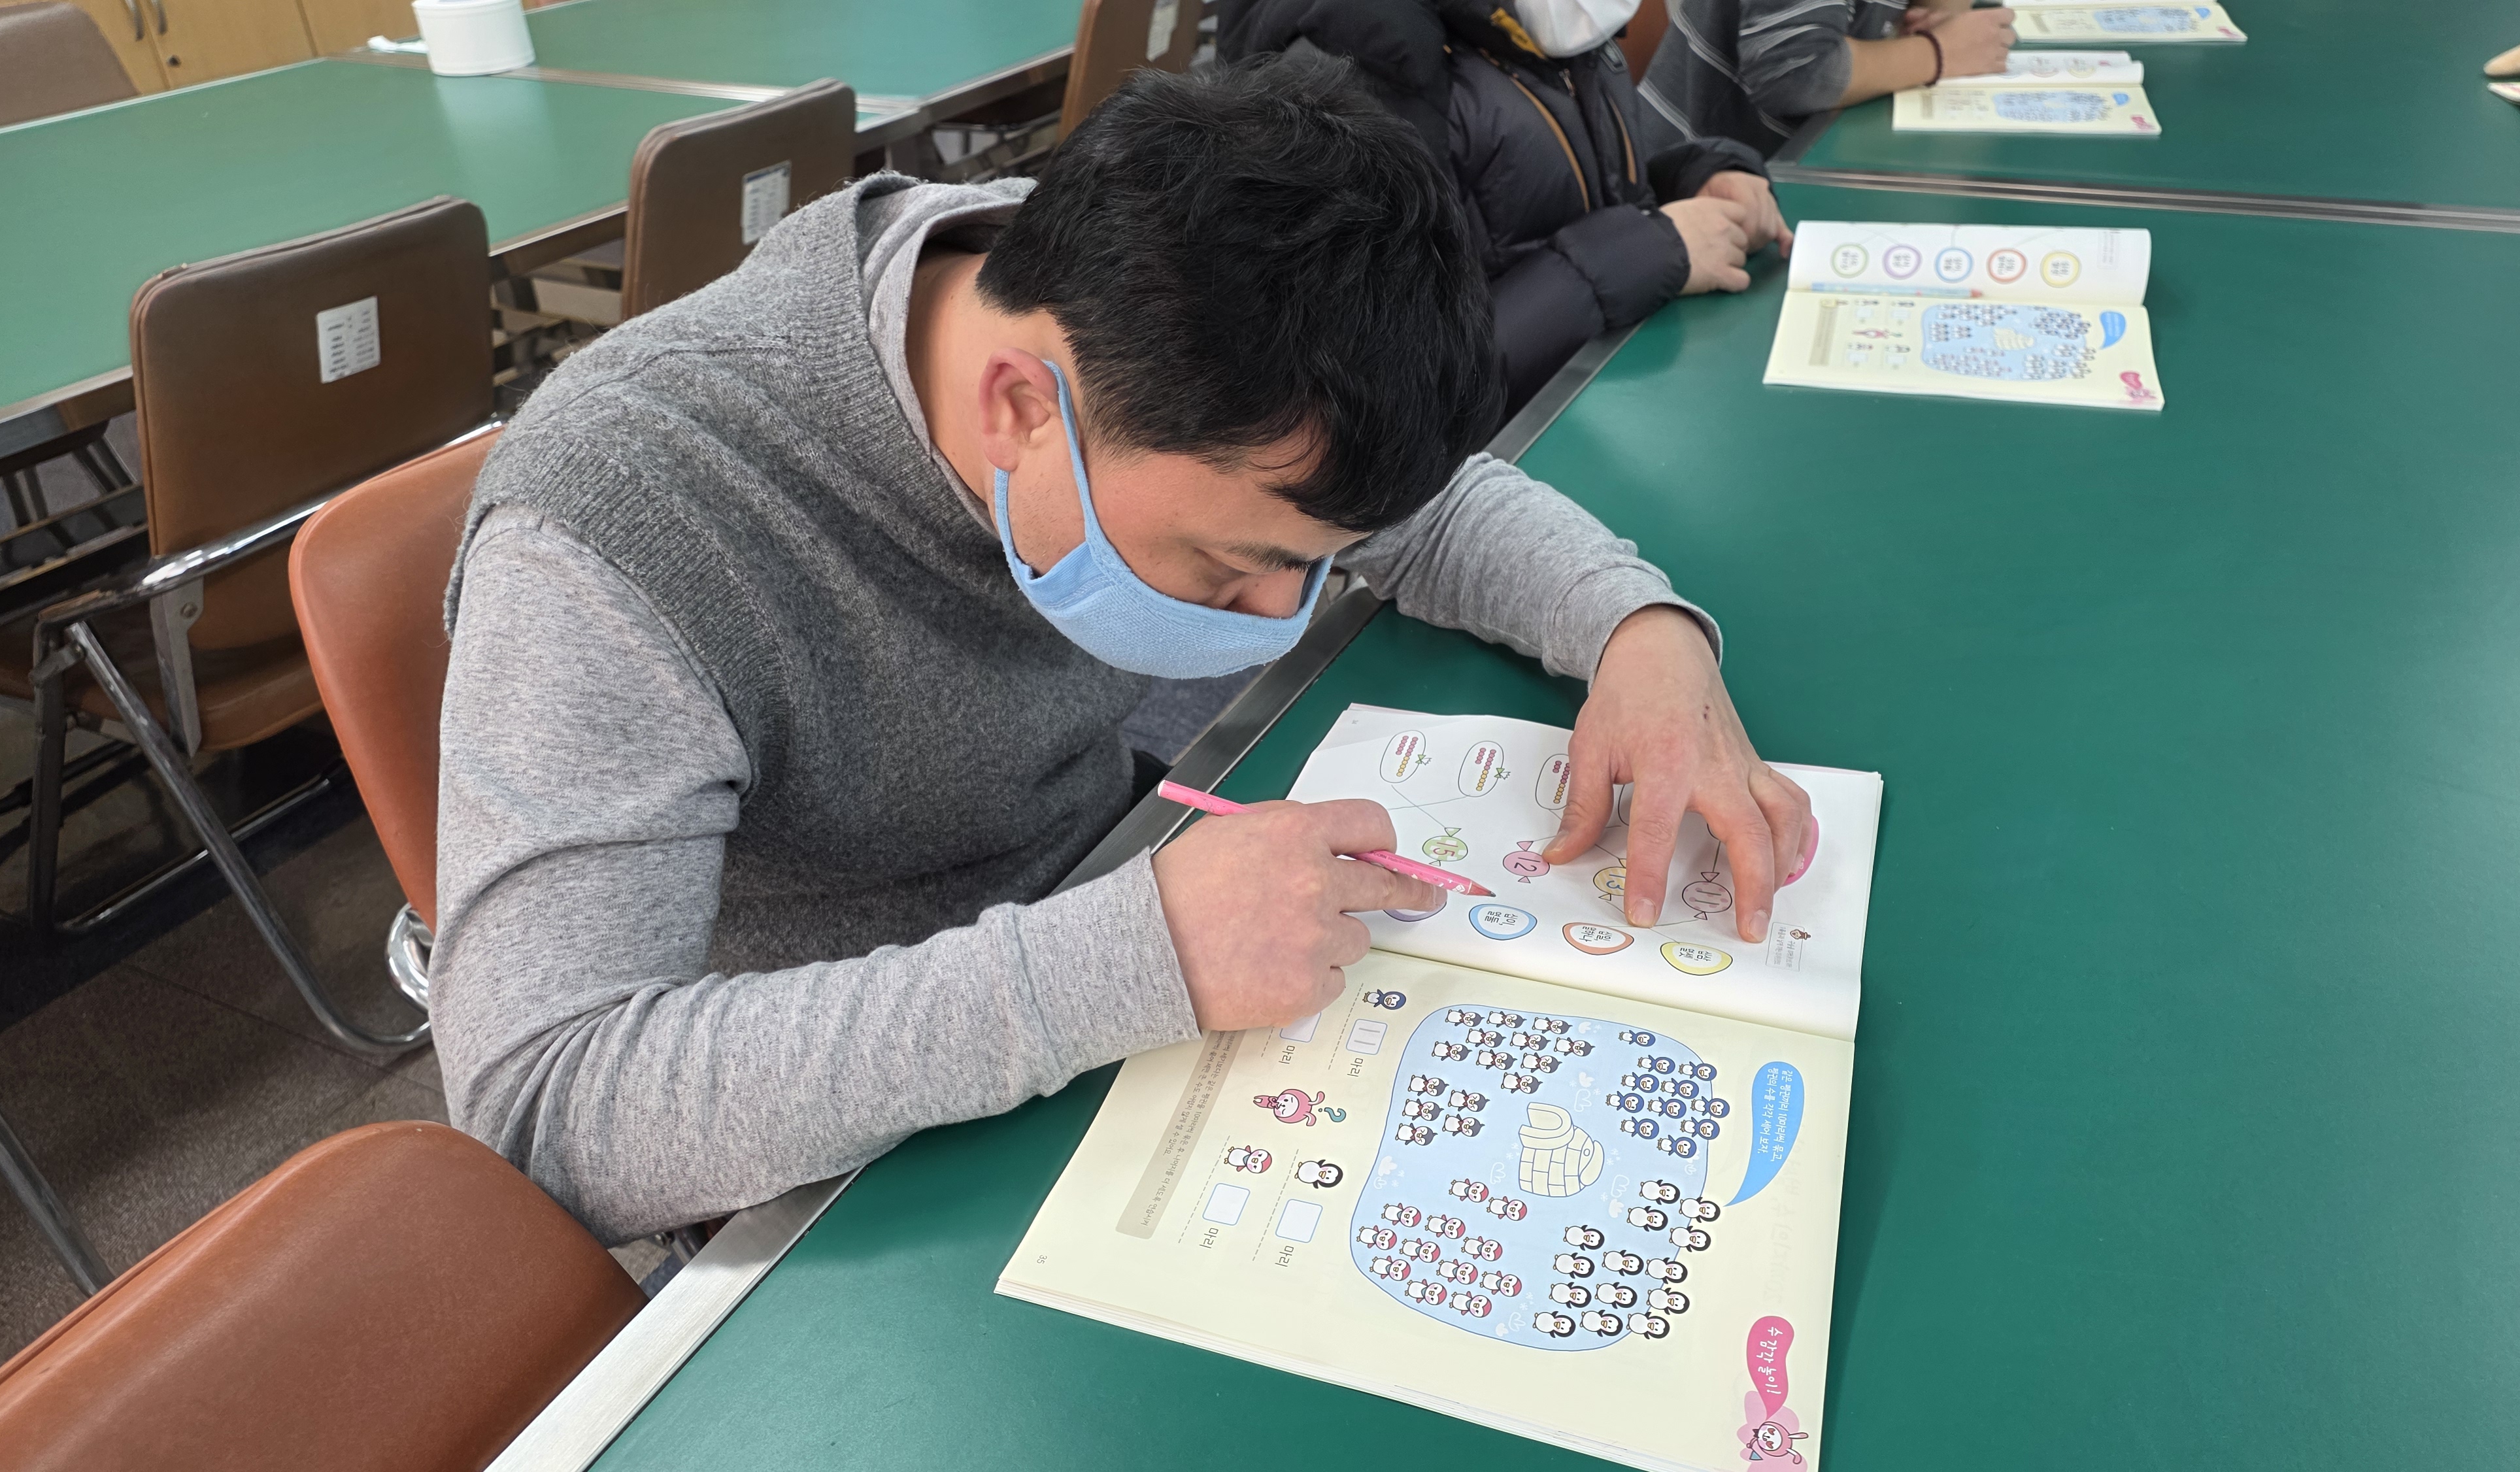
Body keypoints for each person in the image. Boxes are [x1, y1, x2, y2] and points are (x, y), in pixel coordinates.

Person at [431, 57, 1812, 1245]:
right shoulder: (621, 524)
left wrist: (1637, 632)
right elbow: (548, 1102)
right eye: (1233, 562)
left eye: (1305, 565)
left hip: (1124, 930)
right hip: (848, 1158)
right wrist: (1133, 955)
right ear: (1019, 409)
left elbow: (1409, 509)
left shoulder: (1140, 308)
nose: (1277, 615)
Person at [1217, 0, 1793, 420]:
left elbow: (1560, 187)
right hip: (1476, 487)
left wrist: (1693, 177)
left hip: (1591, 412)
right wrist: (1646, 250)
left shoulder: (1538, 32)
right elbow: (1391, 388)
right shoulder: (1350, 74)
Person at [1645, 0, 2015, 148]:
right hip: (1697, 185)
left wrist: (1942, 16)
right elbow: (1795, 73)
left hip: (1811, 145)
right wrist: (1938, 52)